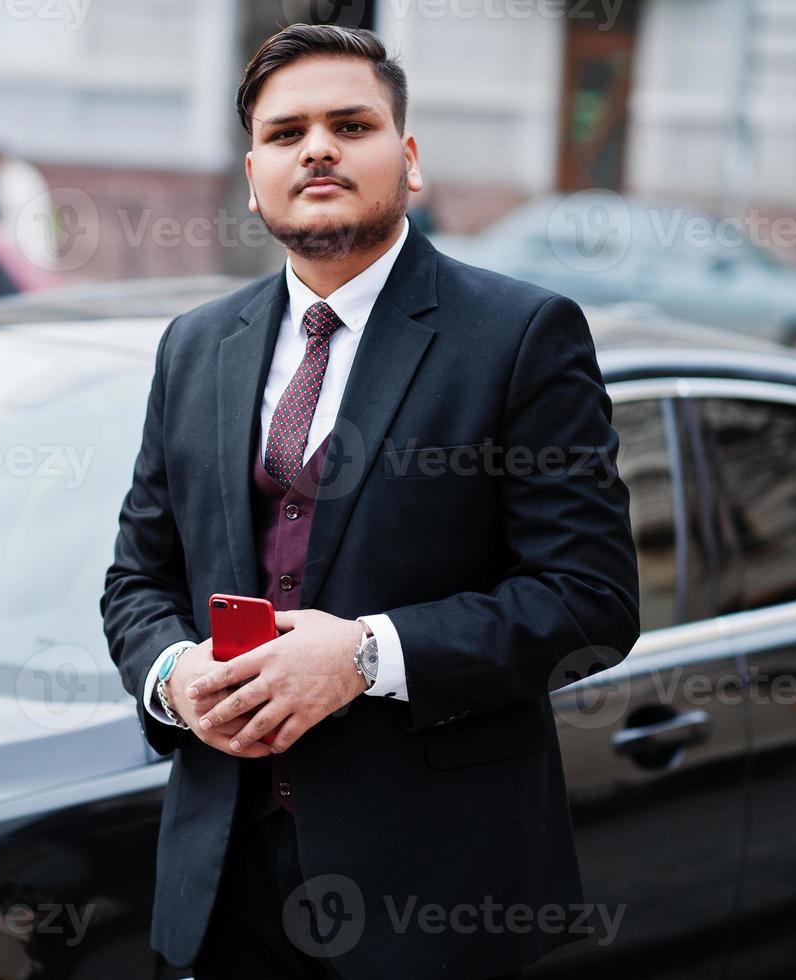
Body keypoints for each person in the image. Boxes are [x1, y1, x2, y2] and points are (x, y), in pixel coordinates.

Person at [99, 24, 641, 980]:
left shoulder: (519, 336)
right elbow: (137, 579)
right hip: (221, 881)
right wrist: (172, 679)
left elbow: (588, 600)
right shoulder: (194, 344)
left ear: (409, 159)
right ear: (254, 169)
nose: (316, 148)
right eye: (285, 132)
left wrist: (363, 657)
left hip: (433, 891)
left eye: (350, 124)